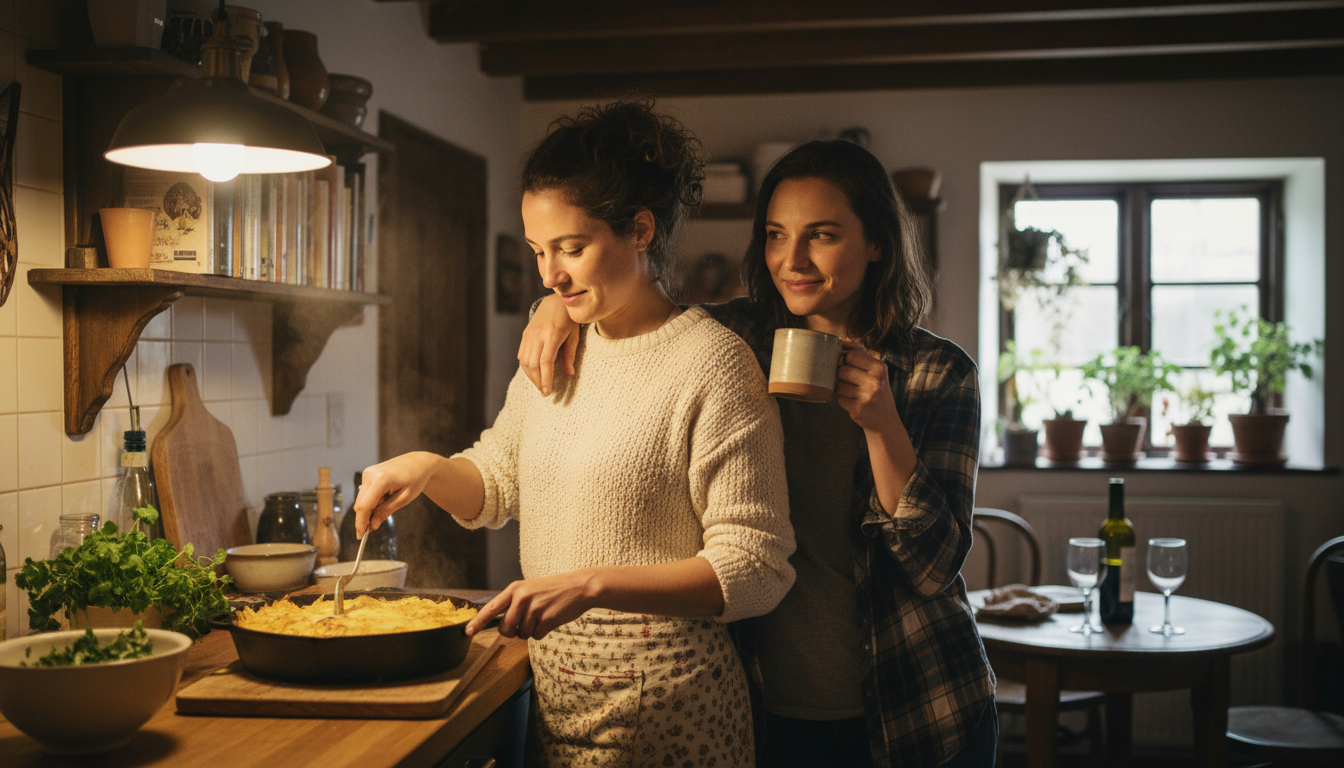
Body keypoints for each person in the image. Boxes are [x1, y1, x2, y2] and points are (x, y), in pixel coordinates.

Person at [519, 139, 997, 767]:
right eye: (775, 235)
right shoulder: (728, 340)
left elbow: (935, 566)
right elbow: (630, 306)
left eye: (820, 235)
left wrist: (883, 425)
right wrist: (553, 304)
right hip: (762, 704)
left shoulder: (938, 373)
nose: (791, 259)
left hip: (913, 704)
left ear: (876, 241)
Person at [352, 101, 795, 767]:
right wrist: (424, 468)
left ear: (640, 229)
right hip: (556, 690)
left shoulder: (715, 364)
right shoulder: (554, 348)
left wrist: (591, 585)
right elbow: (497, 480)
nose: (549, 277)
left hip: (671, 709)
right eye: (538, 251)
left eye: (571, 248)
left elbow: (756, 568)